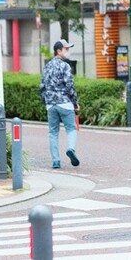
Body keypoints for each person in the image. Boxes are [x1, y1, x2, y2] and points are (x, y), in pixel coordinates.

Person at [40, 39, 80, 169]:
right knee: (71, 128)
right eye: (66, 49)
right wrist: (75, 103)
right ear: (59, 51)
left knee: (53, 132)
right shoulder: (65, 66)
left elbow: (42, 86)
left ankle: (56, 161)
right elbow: (70, 86)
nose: (68, 52)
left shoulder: (47, 66)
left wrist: (46, 101)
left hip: (50, 104)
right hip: (64, 103)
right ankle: (71, 149)